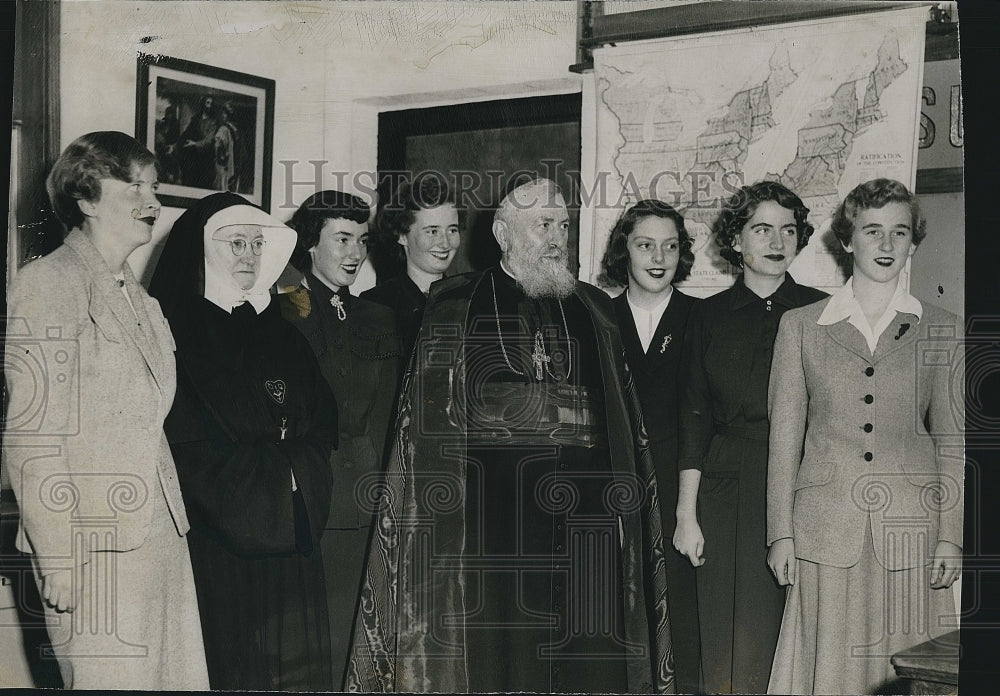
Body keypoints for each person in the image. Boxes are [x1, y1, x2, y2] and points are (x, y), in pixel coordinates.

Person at [347, 178, 673, 694]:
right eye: (543, 224)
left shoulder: (593, 308)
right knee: (501, 659)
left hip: (586, 518)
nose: (555, 237)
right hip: (493, 522)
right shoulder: (454, 302)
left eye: (562, 225)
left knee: (590, 656)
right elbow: (428, 425)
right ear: (503, 232)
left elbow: (620, 421)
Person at [2, 131, 209, 689]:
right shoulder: (48, 284)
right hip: (90, 546)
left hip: (159, 537)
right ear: (87, 199)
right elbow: (31, 436)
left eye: (155, 186)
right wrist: (59, 557)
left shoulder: (141, 299)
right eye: (134, 186)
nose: (153, 202)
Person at [765, 179, 964, 694]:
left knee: (909, 669)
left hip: (912, 531)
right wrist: (780, 532)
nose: (885, 244)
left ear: (913, 243)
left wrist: (951, 534)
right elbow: (785, 439)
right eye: (872, 231)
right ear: (847, 240)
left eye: (899, 232)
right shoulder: (801, 327)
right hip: (825, 528)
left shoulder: (941, 328)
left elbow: (952, 442)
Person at [148, 192, 337, 691]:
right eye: (236, 243)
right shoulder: (173, 334)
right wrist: (271, 480)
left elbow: (320, 425)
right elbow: (183, 443)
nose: (250, 255)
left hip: (288, 530)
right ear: (205, 251)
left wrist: (295, 476)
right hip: (219, 538)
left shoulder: (284, 333)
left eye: (257, 243)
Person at [673, 180, 827, 694]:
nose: (776, 240)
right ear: (736, 240)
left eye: (788, 229)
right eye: (761, 229)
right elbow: (693, 417)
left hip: (805, 481)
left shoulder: (824, 312)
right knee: (727, 635)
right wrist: (685, 515)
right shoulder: (706, 316)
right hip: (725, 487)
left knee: (796, 628)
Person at [279, 190, 400, 690]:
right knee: (309, 643)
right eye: (342, 239)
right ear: (310, 244)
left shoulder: (378, 318)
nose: (355, 253)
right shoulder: (282, 313)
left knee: (359, 635)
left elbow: (391, 414)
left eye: (362, 241)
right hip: (308, 498)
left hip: (367, 498)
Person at [600, 198, 702, 694]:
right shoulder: (598, 319)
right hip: (612, 491)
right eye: (645, 245)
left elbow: (701, 419)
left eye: (670, 246)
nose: (658, 257)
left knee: (679, 624)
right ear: (626, 251)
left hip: (682, 487)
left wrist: (688, 510)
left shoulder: (701, 318)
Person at [361, 176, 460, 364]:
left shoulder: (468, 299)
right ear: (402, 236)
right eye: (432, 231)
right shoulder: (374, 305)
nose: (445, 243)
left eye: (452, 230)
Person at [180, 95, 218, 188]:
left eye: (211, 104)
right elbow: (185, 135)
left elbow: (209, 140)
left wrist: (195, 143)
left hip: (206, 160)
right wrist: (173, 146)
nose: (209, 106)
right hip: (193, 158)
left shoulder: (213, 122)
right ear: (203, 104)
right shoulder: (195, 119)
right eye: (207, 103)